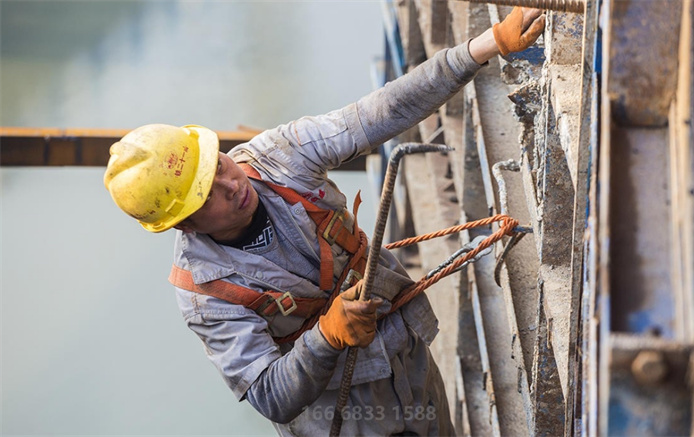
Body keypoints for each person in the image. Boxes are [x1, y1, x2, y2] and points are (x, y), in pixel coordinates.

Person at [104, 7, 544, 436]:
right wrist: (326, 338)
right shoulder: (206, 295)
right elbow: (269, 394)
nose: (230, 183)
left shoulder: (278, 156)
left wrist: (482, 47)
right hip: (340, 416)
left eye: (217, 164)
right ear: (186, 226)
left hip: (407, 366)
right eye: (208, 194)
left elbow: (381, 112)